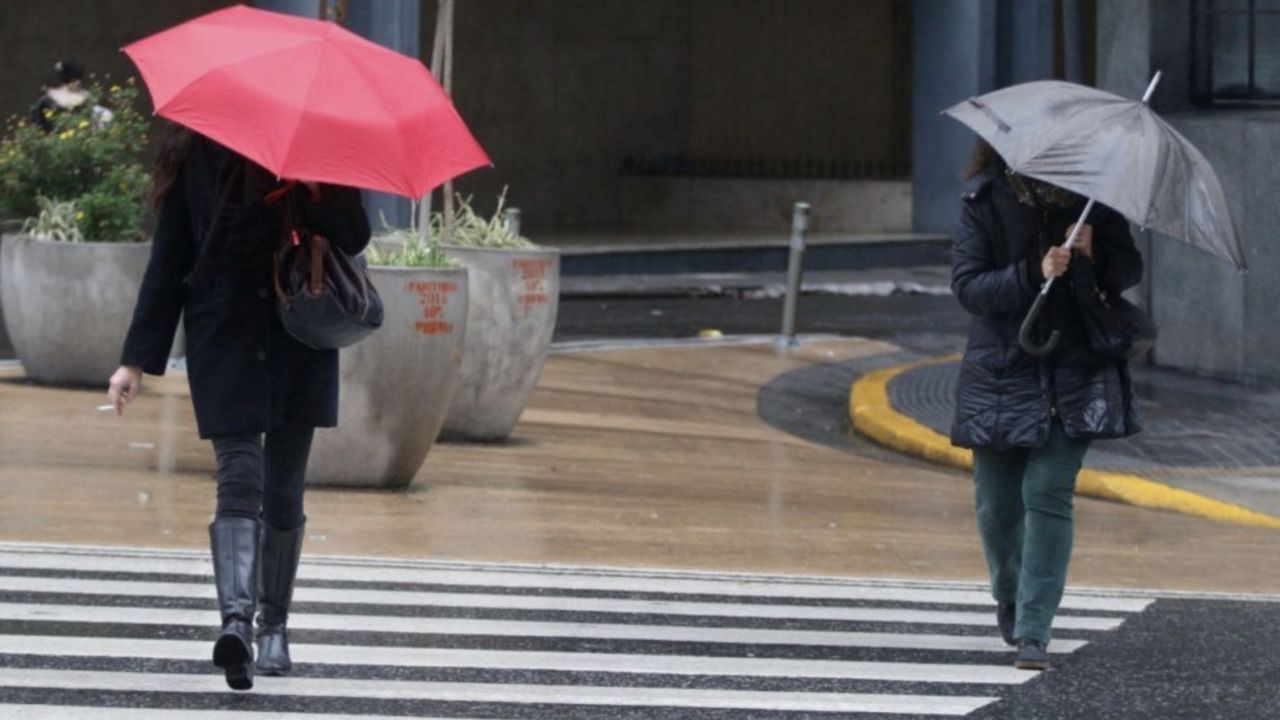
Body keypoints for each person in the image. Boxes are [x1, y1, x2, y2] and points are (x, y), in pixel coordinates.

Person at [107, 125, 370, 691]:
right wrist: (134, 360)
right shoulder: (198, 154)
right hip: (224, 333)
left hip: (299, 335)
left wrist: (317, 190)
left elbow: (354, 237)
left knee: (282, 489)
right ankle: (237, 625)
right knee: (238, 477)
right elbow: (170, 256)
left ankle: (274, 625)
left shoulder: (316, 154)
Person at [950, 141, 1143, 671]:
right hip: (1002, 369)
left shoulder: (1094, 202)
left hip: (1078, 367)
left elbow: (1128, 271)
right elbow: (968, 287)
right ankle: (1009, 593)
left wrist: (1094, 253)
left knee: (1046, 490)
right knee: (997, 503)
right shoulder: (984, 201)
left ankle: (1035, 628)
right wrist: (1033, 273)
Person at [29, 59, 113, 132]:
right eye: (73, 80)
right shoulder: (47, 100)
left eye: (79, 79)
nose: (77, 82)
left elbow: (94, 117)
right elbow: (38, 124)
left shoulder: (86, 96)